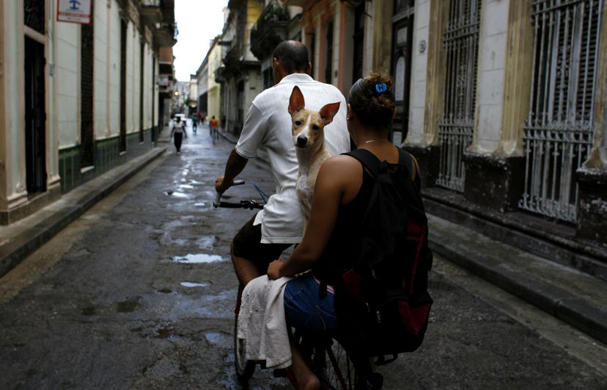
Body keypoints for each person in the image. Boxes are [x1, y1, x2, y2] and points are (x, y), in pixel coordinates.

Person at [263, 72, 411, 389]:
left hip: (345, 298)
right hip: (395, 296)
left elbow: (311, 251)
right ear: (393, 115)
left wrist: (281, 267)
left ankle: (305, 379)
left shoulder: (339, 167)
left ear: (349, 115)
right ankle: (367, 369)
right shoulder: (411, 164)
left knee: (263, 294)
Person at [215, 40, 350, 289]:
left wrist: (225, 182)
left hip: (294, 210)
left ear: (275, 65)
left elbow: (239, 155)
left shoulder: (266, 99)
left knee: (241, 249)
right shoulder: (336, 94)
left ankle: (257, 310)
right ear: (308, 66)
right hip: (337, 217)